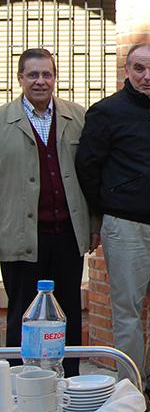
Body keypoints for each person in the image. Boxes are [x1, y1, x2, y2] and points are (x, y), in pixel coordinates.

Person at [75, 44, 150, 406]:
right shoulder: (107, 112)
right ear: (127, 69)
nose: (146, 76)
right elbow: (87, 167)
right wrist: (106, 206)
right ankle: (131, 383)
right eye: (139, 68)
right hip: (126, 225)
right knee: (128, 309)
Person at [0, 49, 96, 377]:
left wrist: (93, 224)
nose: (40, 81)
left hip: (67, 234)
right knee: (23, 315)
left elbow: (91, 176)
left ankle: (68, 380)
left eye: (46, 75)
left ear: (55, 78)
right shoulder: (2, 121)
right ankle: (21, 381)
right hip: (21, 237)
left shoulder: (78, 117)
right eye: (33, 75)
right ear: (20, 78)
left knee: (67, 312)